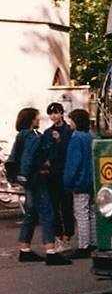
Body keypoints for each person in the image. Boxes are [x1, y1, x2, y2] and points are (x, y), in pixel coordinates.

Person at [13, 107, 71, 265]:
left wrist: (21, 177)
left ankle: (25, 249)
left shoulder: (22, 135)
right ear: (32, 120)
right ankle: (50, 251)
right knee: (48, 212)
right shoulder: (32, 137)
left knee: (30, 213)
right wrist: (25, 173)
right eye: (37, 117)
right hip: (36, 177)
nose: (39, 119)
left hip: (28, 179)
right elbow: (29, 157)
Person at [63, 109, 95, 258]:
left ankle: (84, 245)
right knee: (92, 213)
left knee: (81, 214)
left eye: (71, 120)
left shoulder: (76, 139)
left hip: (80, 182)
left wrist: (68, 182)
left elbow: (73, 163)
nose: (70, 123)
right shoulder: (91, 137)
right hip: (92, 180)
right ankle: (94, 242)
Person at [42, 102, 74, 251]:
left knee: (66, 206)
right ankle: (59, 237)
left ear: (62, 113)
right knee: (53, 207)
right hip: (51, 174)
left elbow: (69, 151)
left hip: (64, 172)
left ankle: (68, 236)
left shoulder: (69, 130)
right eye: (51, 113)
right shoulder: (47, 133)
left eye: (56, 112)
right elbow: (44, 151)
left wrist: (59, 140)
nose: (54, 116)